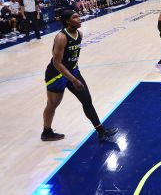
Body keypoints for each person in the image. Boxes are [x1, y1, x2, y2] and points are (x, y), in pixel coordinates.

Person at [42, 10, 118, 141]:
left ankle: (101, 131)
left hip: (73, 71)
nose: (79, 18)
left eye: (79, 16)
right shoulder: (61, 37)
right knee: (53, 104)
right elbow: (56, 62)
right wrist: (73, 79)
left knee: (87, 100)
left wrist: (74, 76)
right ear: (67, 21)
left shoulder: (79, 34)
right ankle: (46, 132)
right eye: (75, 17)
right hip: (56, 75)